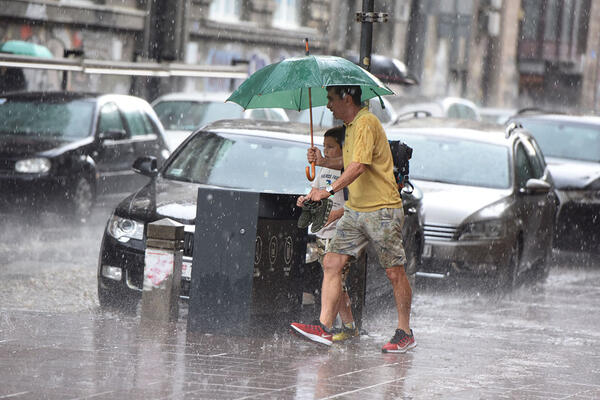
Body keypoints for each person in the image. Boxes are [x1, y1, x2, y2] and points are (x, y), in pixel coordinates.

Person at [290, 85, 415, 353]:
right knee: (332, 262)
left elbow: (359, 166)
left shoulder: (366, 122)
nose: (328, 106)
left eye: (331, 99)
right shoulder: (349, 128)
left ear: (347, 98)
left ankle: (405, 331)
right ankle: (324, 326)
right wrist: (323, 160)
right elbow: (348, 163)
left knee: (394, 271)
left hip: (382, 209)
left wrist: (329, 190)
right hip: (356, 211)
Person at [296, 126, 359, 342]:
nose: (326, 151)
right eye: (325, 147)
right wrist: (306, 199)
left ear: (345, 148)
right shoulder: (322, 168)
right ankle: (349, 325)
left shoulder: (347, 171)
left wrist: (336, 214)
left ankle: (326, 327)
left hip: (341, 233)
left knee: (335, 279)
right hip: (323, 232)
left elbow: (357, 204)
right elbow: (316, 191)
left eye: (331, 147)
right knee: (335, 282)